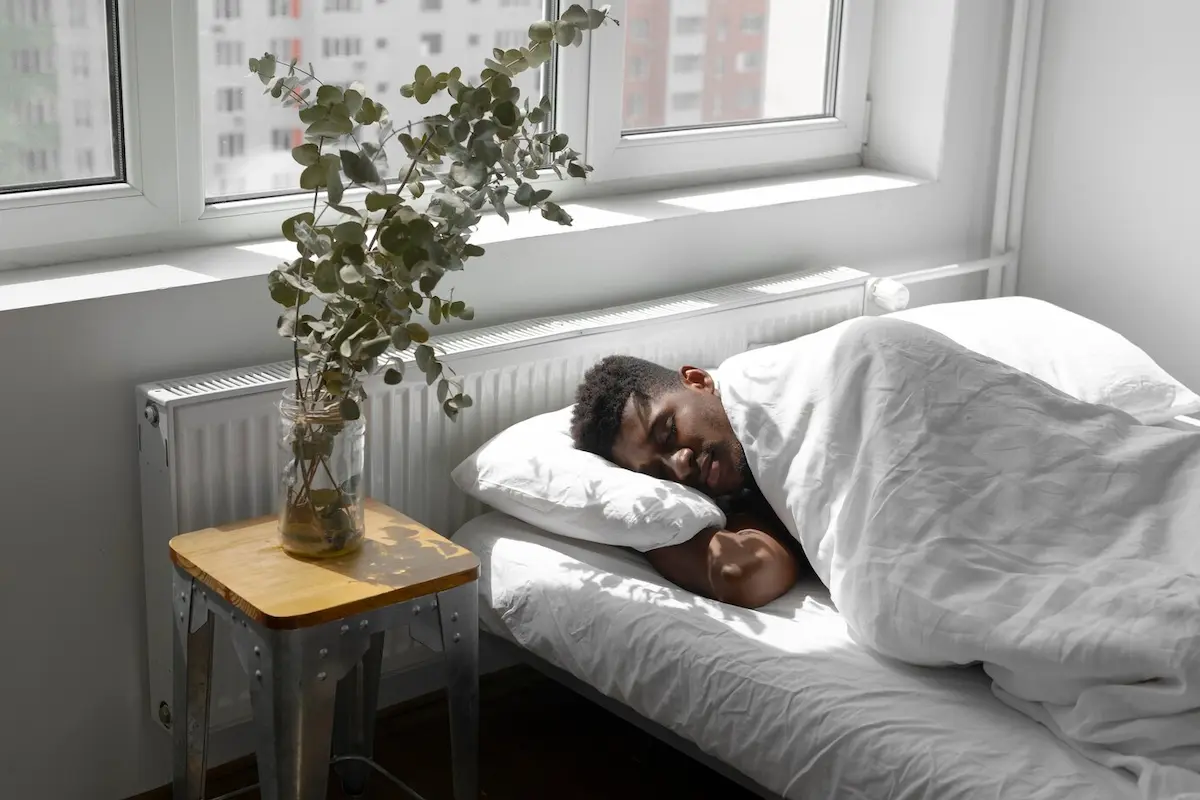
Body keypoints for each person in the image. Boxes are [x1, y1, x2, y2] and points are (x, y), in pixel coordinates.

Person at [570, 355, 808, 609]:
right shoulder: (742, 504)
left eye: (670, 431)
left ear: (697, 381)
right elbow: (740, 572)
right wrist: (641, 528)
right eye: (657, 473)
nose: (680, 465)